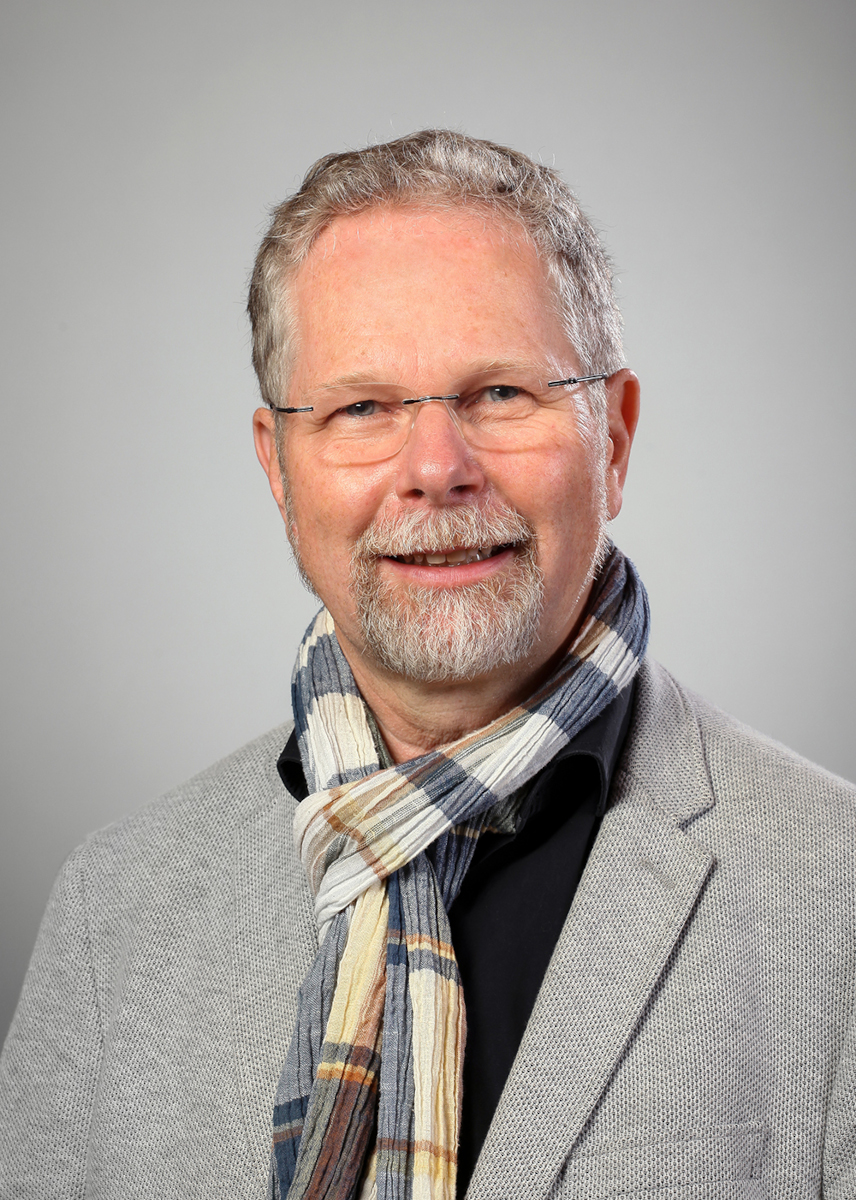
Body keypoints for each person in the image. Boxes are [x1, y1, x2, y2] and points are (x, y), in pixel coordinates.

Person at [1, 130, 854, 1200]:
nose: (437, 469)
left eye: (500, 393)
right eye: (362, 408)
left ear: (614, 438)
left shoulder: (838, 899)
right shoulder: (114, 910)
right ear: (279, 469)